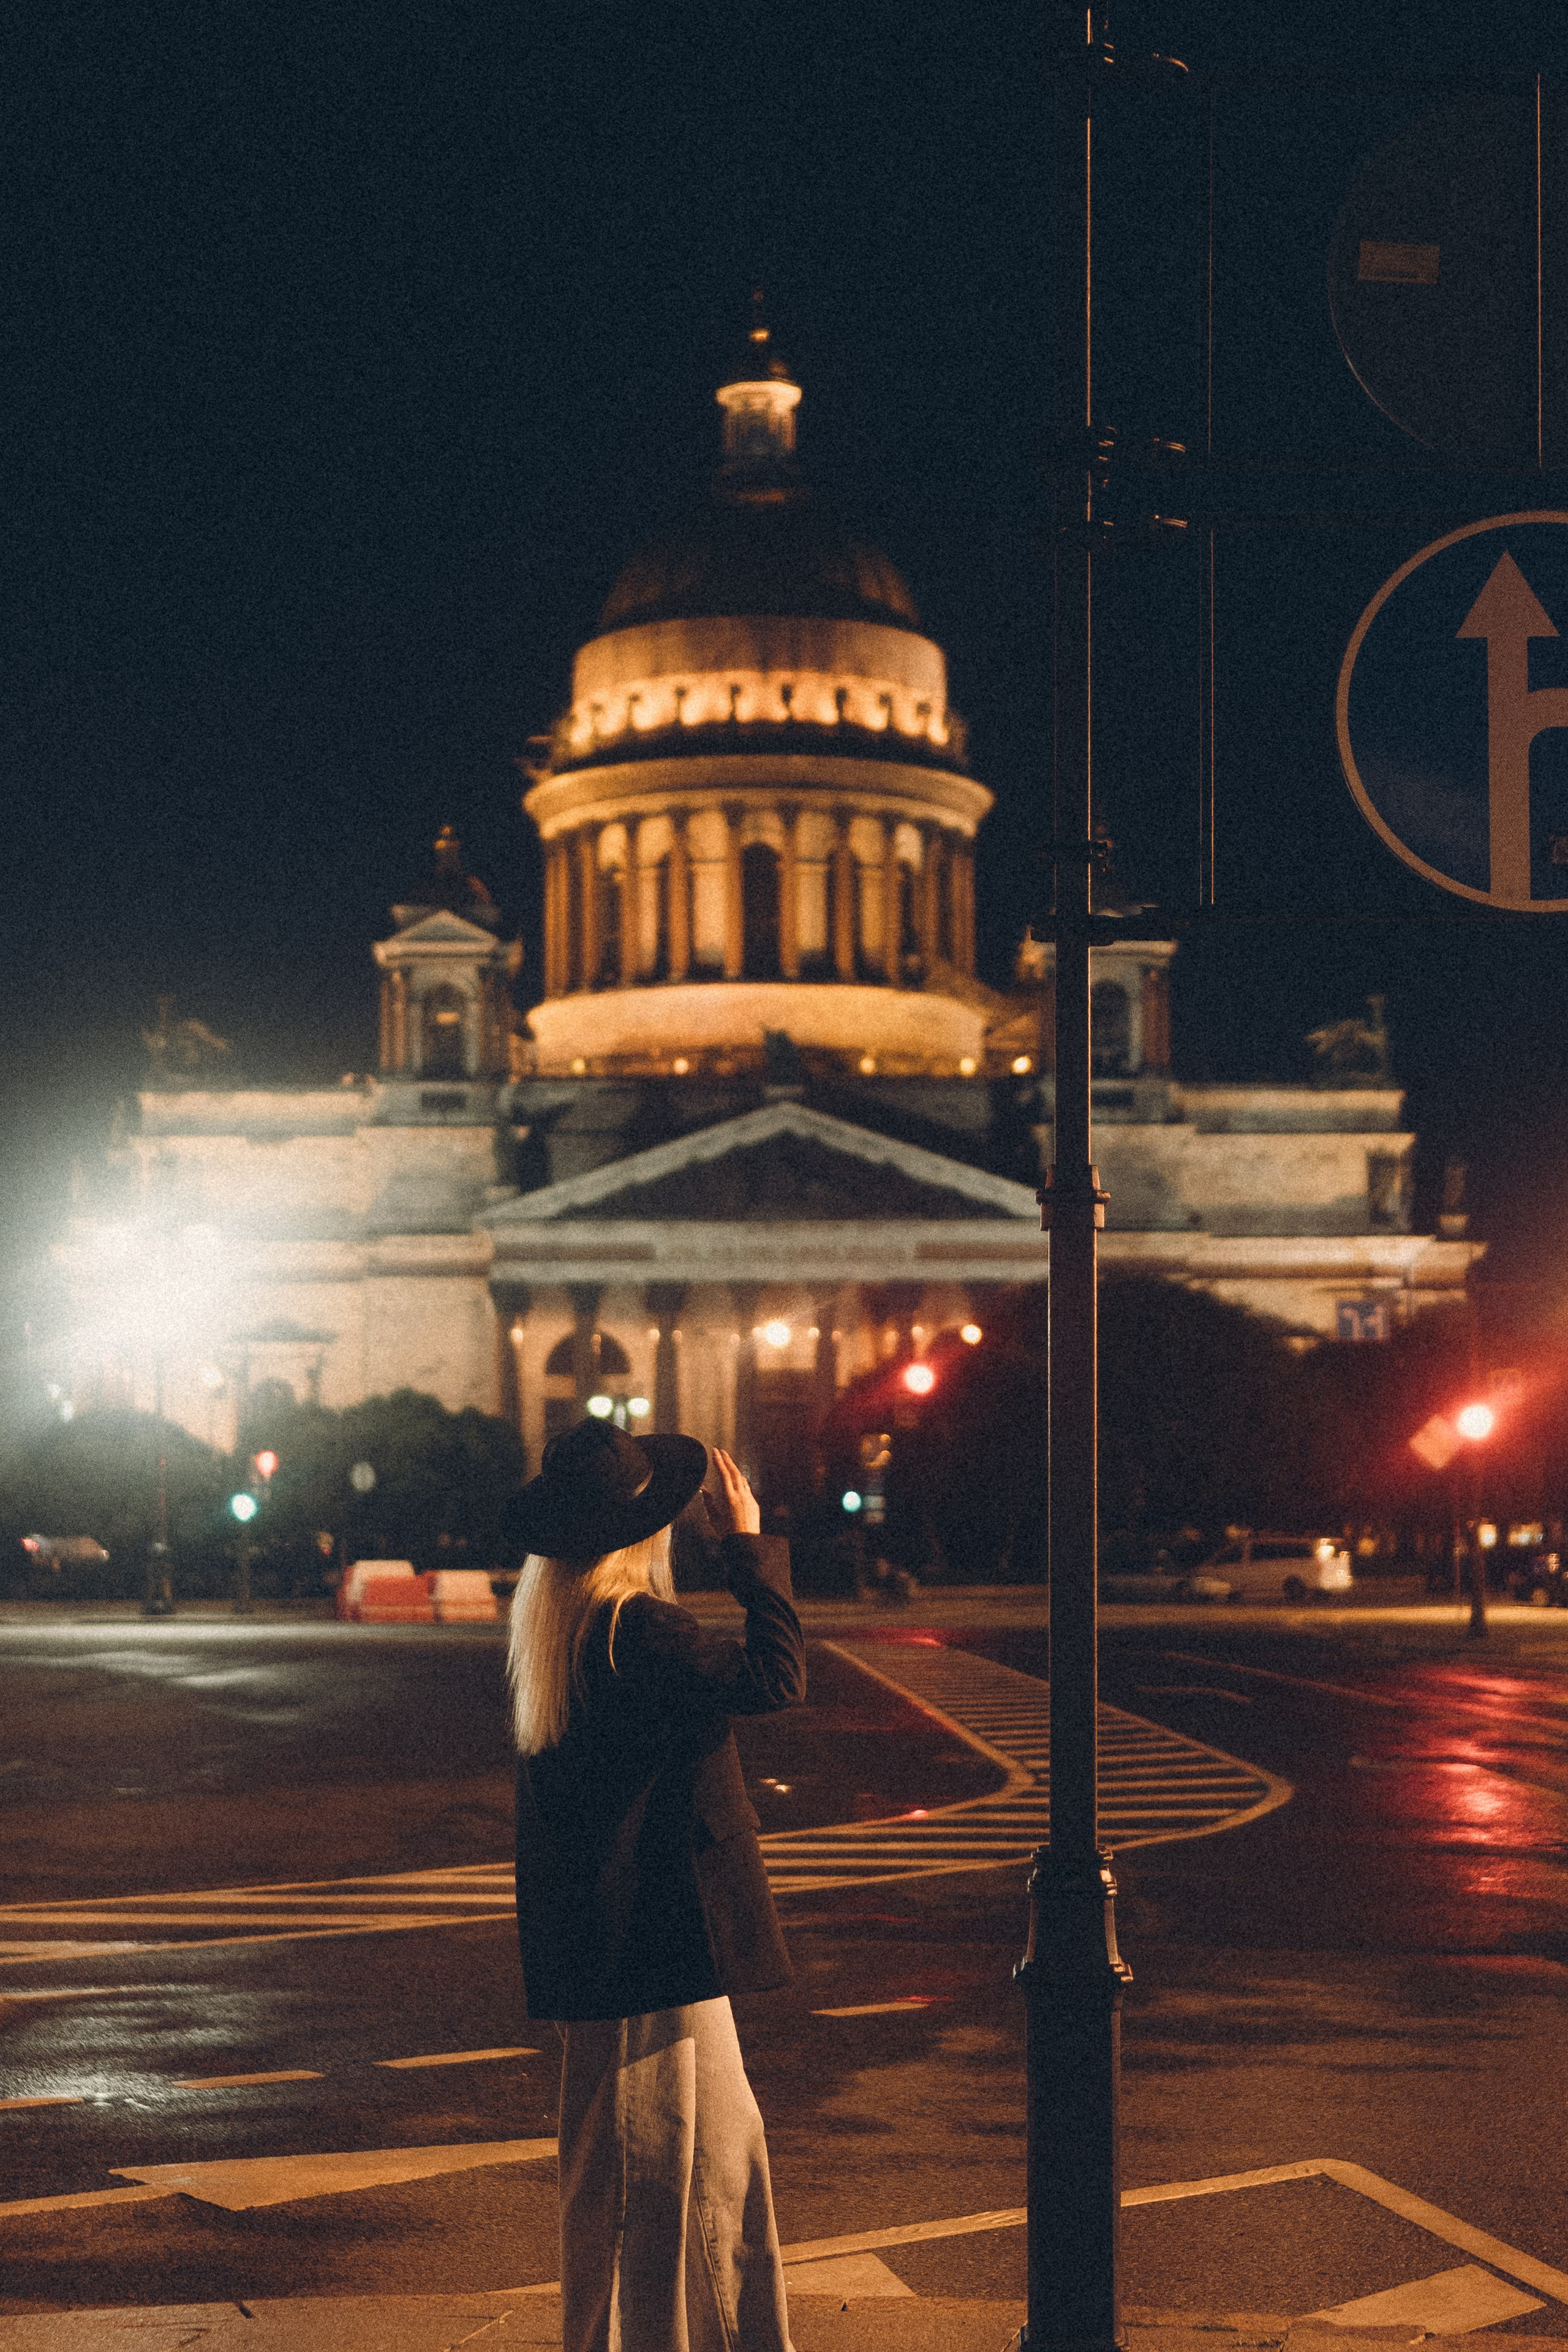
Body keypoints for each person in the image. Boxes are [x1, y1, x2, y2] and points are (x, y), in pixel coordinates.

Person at [503, 1415, 805, 2352]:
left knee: (719, 2166)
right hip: (654, 1951)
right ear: (641, 1534)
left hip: (632, 1951)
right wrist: (748, 1549)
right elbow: (776, 1677)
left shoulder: (562, 1630)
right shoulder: (640, 1630)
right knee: (651, 2179)